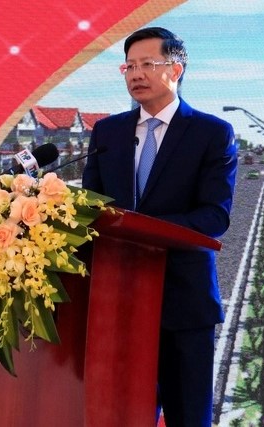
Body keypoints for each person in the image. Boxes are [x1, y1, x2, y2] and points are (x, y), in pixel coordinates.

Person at [82, 26, 237, 426]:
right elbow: (90, 209)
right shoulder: (107, 132)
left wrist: (139, 229)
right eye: (129, 66)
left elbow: (214, 217)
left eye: (147, 64)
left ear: (176, 68)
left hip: (183, 303)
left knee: (188, 417)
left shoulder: (212, 133)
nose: (136, 74)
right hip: (116, 303)